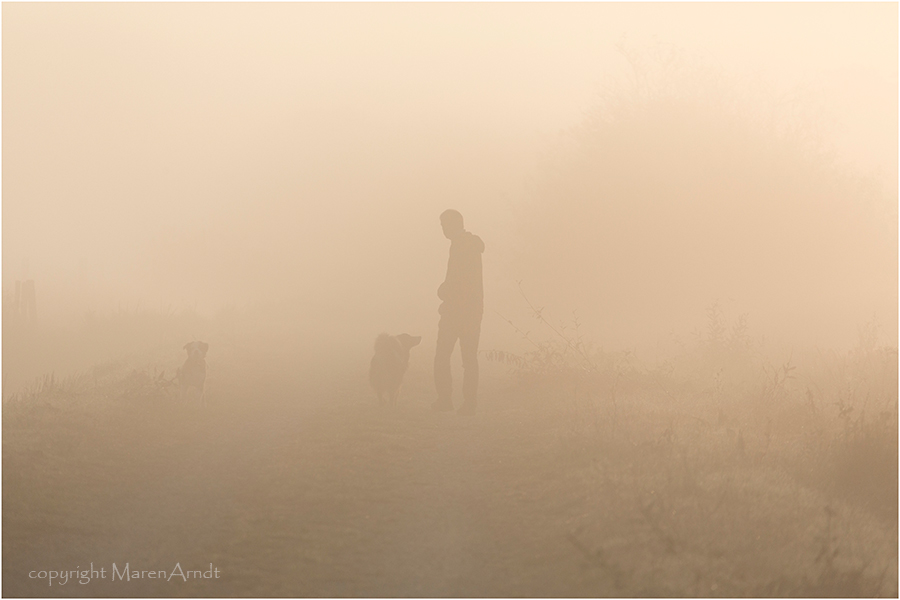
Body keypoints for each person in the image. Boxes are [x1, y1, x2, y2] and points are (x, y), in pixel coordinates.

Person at [434, 209, 484, 415]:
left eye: (443, 225)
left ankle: (445, 400)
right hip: (473, 311)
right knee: (469, 359)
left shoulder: (459, 246)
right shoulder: (471, 244)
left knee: (442, 356)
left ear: (452, 225)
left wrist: (443, 291)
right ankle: (469, 403)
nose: (442, 230)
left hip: (455, 312)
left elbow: (457, 279)